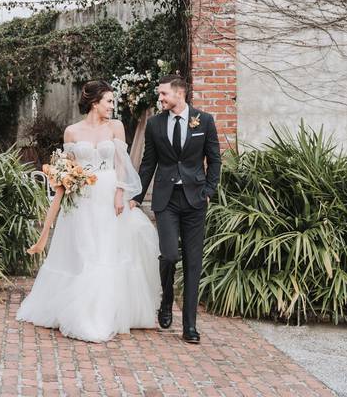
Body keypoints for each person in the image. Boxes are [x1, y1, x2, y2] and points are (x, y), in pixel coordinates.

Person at [16, 80, 161, 342]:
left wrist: (120, 193)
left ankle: (109, 311)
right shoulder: (72, 132)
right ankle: (81, 313)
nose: (112, 106)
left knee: (108, 250)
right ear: (95, 103)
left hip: (108, 196)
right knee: (85, 251)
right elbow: (67, 174)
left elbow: (120, 164)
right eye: (109, 101)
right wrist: (49, 221)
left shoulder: (116, 127)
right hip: (82, 200)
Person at [131, 74, 220, 344]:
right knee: (169, 255)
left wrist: (208, 191)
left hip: (195, 201)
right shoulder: (155, 124)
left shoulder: (204, 121)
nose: (160, 98)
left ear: (179, 94)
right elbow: (148, 163)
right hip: (166, 200)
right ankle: (166, 299)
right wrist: (137, 196)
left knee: (194, 262)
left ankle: (190, 326)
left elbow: (215, 159)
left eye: (163, 94)